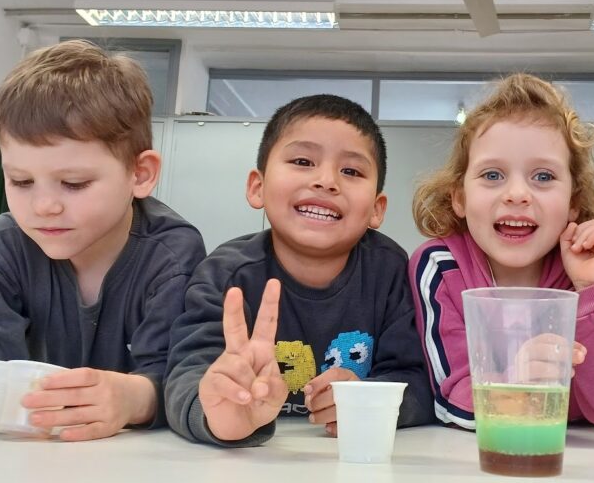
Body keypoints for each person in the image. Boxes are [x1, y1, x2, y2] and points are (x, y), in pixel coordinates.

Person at [0, 39, 206, 441]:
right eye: (21, 181)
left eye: (74, 183)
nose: (44, 206)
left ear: (140, 174)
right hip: (26, 455)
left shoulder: (172, 253)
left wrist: (135, 398)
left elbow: (181, 377)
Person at [164, 94, 434, 446]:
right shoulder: (226, 274)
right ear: (257, 187)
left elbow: (422, 380)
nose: (326, 181)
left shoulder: (392, 273)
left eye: (351, 171)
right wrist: (220, 415)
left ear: (376, 209)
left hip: (355, 457)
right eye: (303, 161)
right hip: (253, 462)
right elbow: (186, 374)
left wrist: (372, 398)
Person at [409, 73, 594, 433]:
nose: (517, 194)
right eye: (492, 175)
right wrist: (517, 385)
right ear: (459, 198)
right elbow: (451, 399)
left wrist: (593, 291)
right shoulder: (440, 267)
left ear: (573, 203)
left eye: (543, 177)